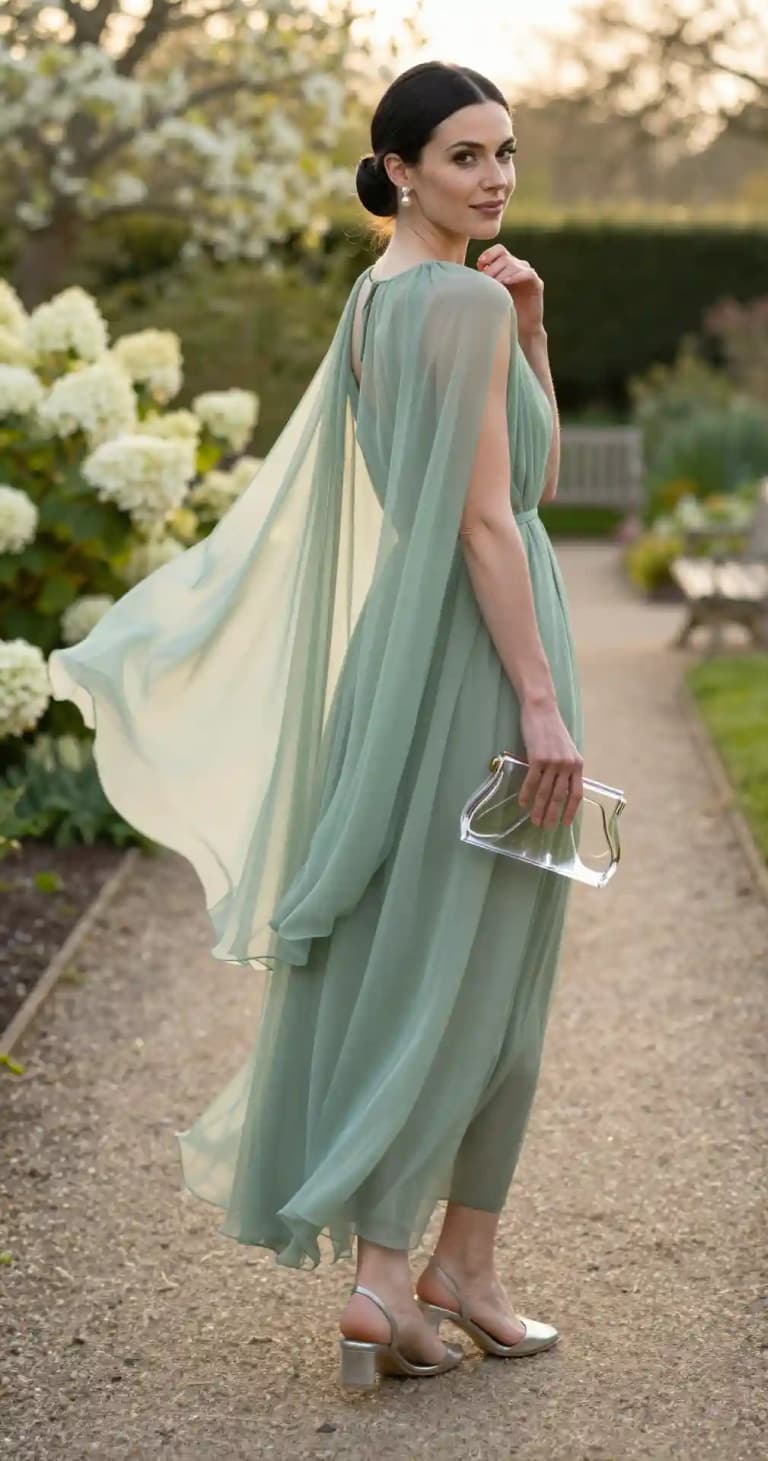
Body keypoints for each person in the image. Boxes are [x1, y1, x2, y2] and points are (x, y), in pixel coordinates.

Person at [48, 60, 584, 1390]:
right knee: (486, 977)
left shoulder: (385, 304)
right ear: (396, 168)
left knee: (429, 956)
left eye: (505, 152)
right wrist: (537, 699)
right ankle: (419, 1271)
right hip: (479, 662)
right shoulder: (450, 296)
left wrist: (534, 339)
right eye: (464, 155)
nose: (495, 177)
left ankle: (419, 1276)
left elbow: (529, 483)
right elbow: (483, 523)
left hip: (408, 663)